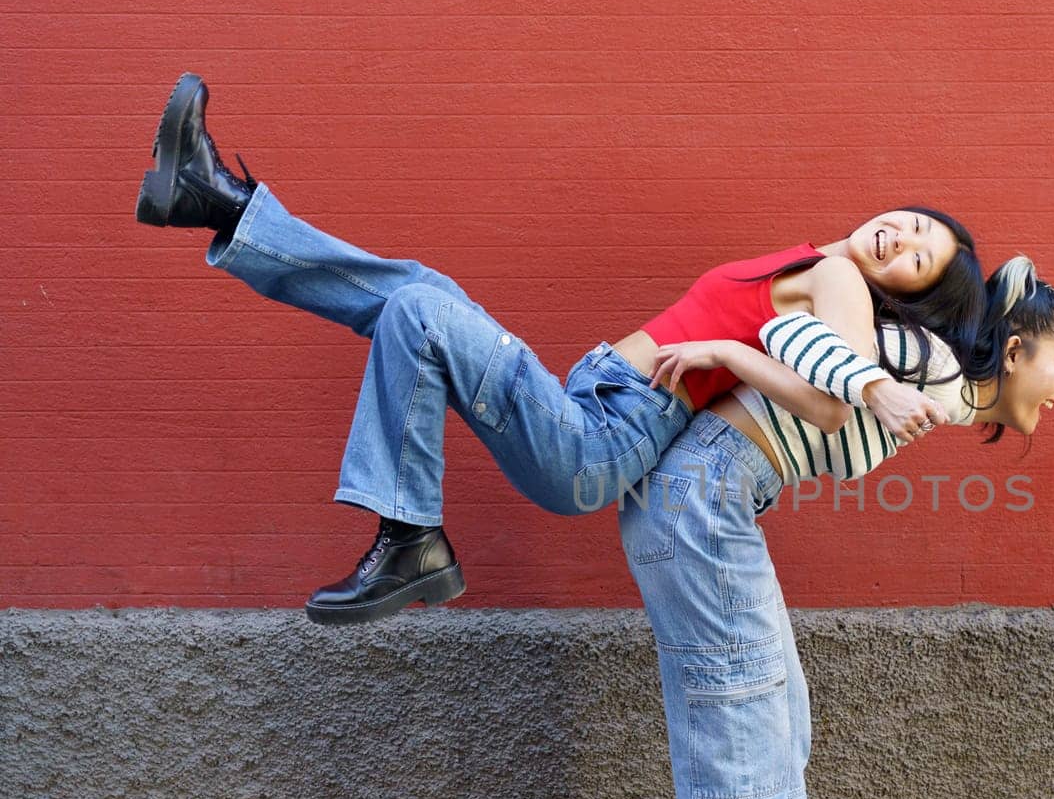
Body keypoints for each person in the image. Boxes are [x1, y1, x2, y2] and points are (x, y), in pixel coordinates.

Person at [134, 72, 987, 624]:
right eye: (913, 223)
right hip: (592, 406)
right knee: (416, 296)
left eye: (918, 258)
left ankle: (409, 537)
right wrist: (727, 351)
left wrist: (734, 357)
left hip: (607, 437)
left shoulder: (838, 282)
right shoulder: (812, 261)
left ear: (905, 293)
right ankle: (221, 203)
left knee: (423, 312)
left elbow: (834, 402)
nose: (900, 239)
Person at [620, 257, 1054, 799]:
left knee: (782, 711)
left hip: (715, 502)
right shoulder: (927, 364)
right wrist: (865, 383)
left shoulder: (954, 393)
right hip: (697, 502)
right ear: (1015, 350)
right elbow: (793, 331)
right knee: (740, 728)